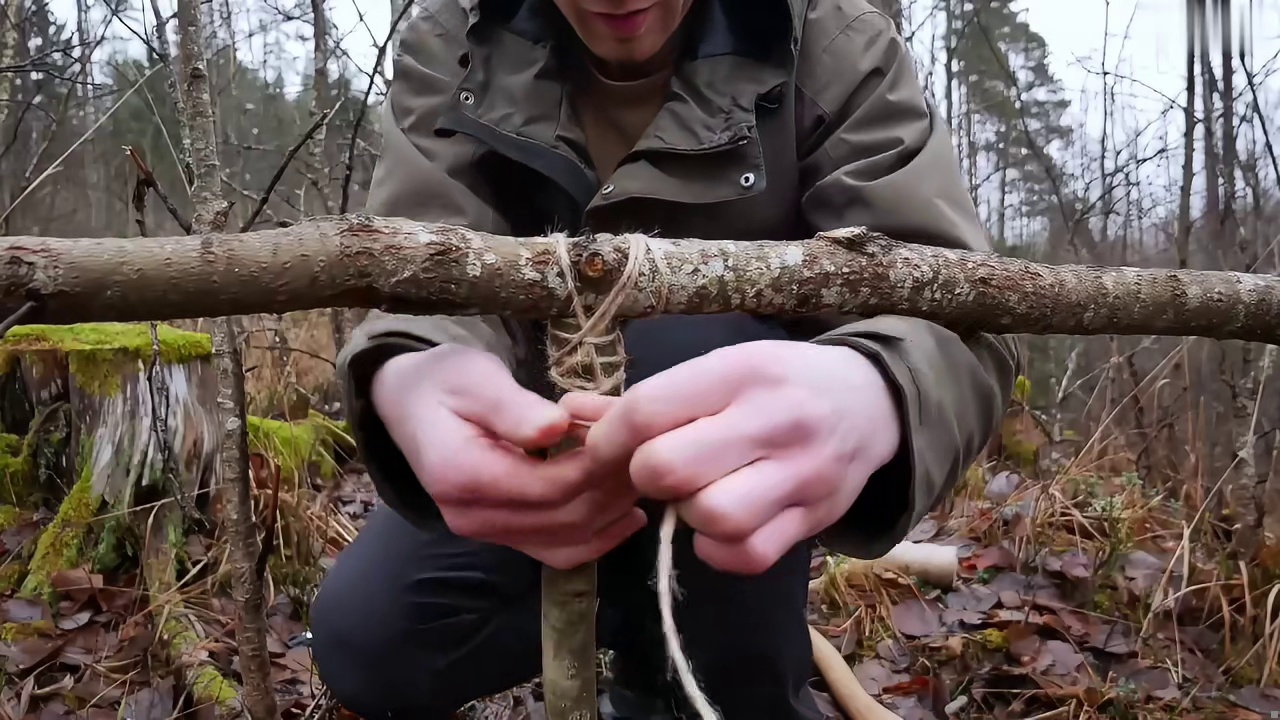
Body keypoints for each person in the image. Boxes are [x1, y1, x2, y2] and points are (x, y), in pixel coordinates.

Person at [308, 0, 1021, 717]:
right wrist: (419, 365)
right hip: (537, 444)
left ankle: (728, 671)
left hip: (743, 485)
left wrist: (875, 388)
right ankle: (645, 613)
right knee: (372, 642)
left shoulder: (832, 41)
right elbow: (423, 261)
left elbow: (960, 304)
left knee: (688, 354)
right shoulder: (456, 39)